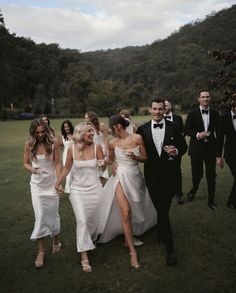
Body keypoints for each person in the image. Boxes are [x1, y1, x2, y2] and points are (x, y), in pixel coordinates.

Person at [98, 115, 156, 268]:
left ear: (122, 125)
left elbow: (146, 157)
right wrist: (110, 164)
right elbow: (110, 159)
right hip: (119, 177)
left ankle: (127, 237)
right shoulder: (112, 143)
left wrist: (136, 157)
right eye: (113, 127)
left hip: (135, 176)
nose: (116, 129)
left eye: (117, 126)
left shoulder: (137, 138)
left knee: (137, 205)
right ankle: (132, 252)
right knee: (126, 212)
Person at [137, 99, 187, 266]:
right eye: (155, 109)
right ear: (150, 110)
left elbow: (184, 147)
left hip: (169, 176)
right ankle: (160, 232)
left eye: (161, 109)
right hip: (151, 177)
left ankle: (170, 250)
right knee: (160, 208)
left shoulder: (175, 127)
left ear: (164, 110)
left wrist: (176, 150)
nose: (158, 112)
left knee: (163, 210)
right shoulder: (141, 130)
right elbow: (136, 150)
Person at [55, 122, 105, 272]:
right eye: (89, 131)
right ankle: (84, 256)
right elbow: (67, 168)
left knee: (93, 221)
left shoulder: (97, 147)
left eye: (92, 131)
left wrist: (102, 165)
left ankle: (91, 239)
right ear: (81, 134)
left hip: (95, 190)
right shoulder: (71, 148)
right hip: (77, 191)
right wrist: (58, 182)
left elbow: (102, 168)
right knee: (82, 220)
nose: (92, 133)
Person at [23, 119, 61, 268]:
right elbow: (25, 163)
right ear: (33, 132)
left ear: (46, 130)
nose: (39, 135)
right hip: (37, 186)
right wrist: (32, 169)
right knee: (40, 216)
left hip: (51, 184)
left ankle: (56, 240)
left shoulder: (54, 143)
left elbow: (57, 163)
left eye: (42, 132)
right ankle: (41, 252)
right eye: (37, 132)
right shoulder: (29, 144)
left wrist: (58, 182)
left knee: (53, 213)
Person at [184, 90, 219, 210]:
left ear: (210, 98)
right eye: (203, 97)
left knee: (211, 175)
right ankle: (194, 189)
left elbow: (218, 131)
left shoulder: (215, 113)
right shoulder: (192, 114)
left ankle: (211, 200)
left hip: (210, 149)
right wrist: (198, 135)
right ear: (198, 99)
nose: (205, 99)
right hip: (196, 150)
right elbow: (186, 130)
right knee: (196, 175)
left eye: (207, 97)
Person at [164, 100, 186, 204]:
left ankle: (178, 194)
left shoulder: (178, 118)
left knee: (177, 171)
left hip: (176, 150)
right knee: (166, 172)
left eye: (166, 105)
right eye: (163, 105)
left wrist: (176, 148)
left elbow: (182, 133)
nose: (164, 107)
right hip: (164, 151)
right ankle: (170, 192)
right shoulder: (160, 118)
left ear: (170, 106)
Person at [216, 100, 236, 209]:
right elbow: (219, 138)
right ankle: (231, 202)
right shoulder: (224, 118)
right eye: (235, 106)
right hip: (231, 154)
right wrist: (219, 157)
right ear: (231, 106)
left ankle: (232, 202)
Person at [84, 111, 109, 186]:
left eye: (86, 118)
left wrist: (105, 150)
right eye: (85, 118)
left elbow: (106, 138)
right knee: (93, 171)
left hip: (102, 149)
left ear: (91, 118)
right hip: (92, 150)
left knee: (101, 171)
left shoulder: (101, 125)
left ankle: (102, 188)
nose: (85, 120)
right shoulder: (86, 127)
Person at [58, 120, 74, 193]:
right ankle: (69, 191)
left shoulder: (75, 134)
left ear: (70, 126)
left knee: (75, 172)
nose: (66, 128)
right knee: (69, 173)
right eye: (65, 127)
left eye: (67, 126)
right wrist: (65, 150)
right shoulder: (62, 136)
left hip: (75, 156)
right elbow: (60, 145)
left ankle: (75, 188)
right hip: (66, 157)